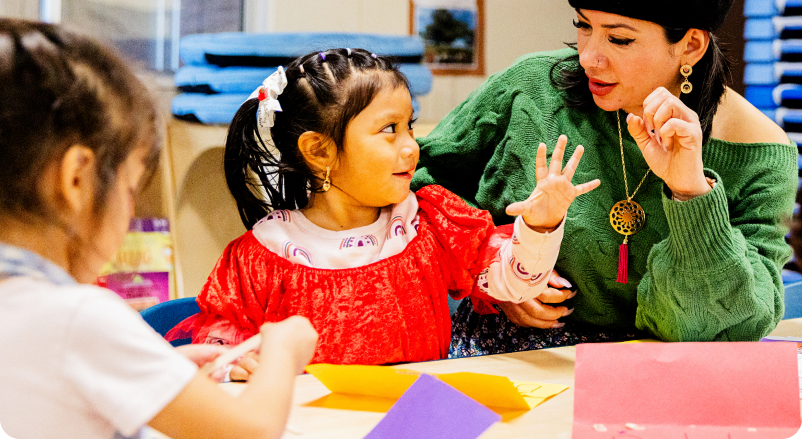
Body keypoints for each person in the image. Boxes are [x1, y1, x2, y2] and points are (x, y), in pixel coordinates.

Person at [411, 0, 798, 356]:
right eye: (582, 26)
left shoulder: (758, 151)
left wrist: (690, 193)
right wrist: (495, 269)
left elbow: (726, 327)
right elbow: (414, 184)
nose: (590, 58)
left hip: (658, 370)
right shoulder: (531, 88)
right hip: (507, 354)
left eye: (620, 39)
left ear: (691, 45)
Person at [168, 47, 599, 372]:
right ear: (319, 151)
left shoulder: (426, 222)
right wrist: (238, 364)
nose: (412, 145)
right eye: (388, 130)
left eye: (409, 125)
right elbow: (222, 343)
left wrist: (541, 223)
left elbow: (513, 284)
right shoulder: (264, 255)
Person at [0, 19, 318, 439]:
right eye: (130, 188)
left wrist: (155, 379)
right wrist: (283, 351)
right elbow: (251, 432)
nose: (129, 209)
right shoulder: (78, 317)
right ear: (75, 179)